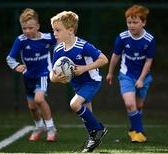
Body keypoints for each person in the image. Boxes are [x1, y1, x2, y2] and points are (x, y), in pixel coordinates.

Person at [50, 11, 108, 152]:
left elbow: (104, 59)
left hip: (91, 81)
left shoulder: (83, 46)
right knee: (87, 117)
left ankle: (100, 129)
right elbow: (52, 74)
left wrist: (84, 68)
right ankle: (93, 140)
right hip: (77, 84)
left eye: (58, 30)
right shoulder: (58, 49)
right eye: (53, 30)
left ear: (70, 30)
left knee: (74, 104)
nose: (54, 33)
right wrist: (55, 78)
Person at [106, 5, 156, 143]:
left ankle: (133, 130)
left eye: (135, 22)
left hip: (143, 77)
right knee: (129, 104)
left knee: (138, 106)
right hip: (126, 75)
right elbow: (115, 56)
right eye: (129, 22)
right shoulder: (122, 38)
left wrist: (141, 79)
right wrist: (110, 72)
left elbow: (148, 61)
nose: (131, 25)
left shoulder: (150, 39)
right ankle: (139, 132)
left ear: (143, 22)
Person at [6, 8, 57, 142]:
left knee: (39, 99)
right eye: (24, 28)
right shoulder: (21, 40)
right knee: (32, 107)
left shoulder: (47, 38)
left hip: (44, 74)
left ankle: (51, 129)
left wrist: (61, 61)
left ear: (38, 26)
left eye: (30, 28)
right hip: (28, 76)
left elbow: (61, 45)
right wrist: (17, 66)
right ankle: (39, 127)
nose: (27, 31)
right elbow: (10, 58)